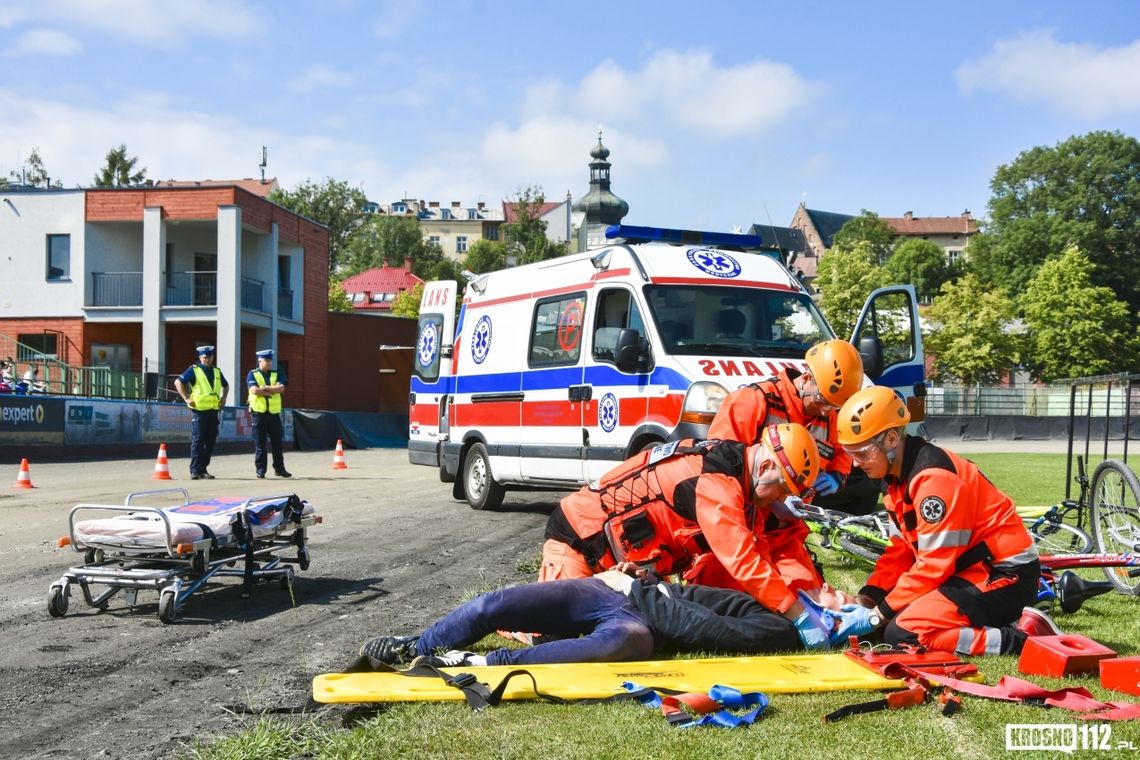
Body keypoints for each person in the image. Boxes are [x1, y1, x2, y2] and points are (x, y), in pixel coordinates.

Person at [539, 423, 840, 650]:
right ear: (764, 466)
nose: (781, 499)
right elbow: (744, 562)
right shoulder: (717, 484)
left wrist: (804, 598)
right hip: (580, 541)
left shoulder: (742, 489)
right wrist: (799, 616)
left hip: (629, 568)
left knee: (640, 632)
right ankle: (516, 624)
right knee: (556, 634)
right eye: (783, 489)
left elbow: (754, 567)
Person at [831, 385, 1059, 655]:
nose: (856, 463)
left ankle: (1022, 641)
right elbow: (901, 551)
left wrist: (878, 613)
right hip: (972, 571)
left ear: (892, 439)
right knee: (889, 624)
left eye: (862, 452)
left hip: (1005, 575)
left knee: (903, 633)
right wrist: (869, 598)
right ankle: (997, 625)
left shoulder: (931, 478)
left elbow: (933, 566)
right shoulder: (897, 479)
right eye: (850, 453)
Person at [358, 564, 858, 669]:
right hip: (614, 591)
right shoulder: (760, 602)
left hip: (637, 616)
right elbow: (691, 599)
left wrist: (639, 590)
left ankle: (481, 662)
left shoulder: (775, 629)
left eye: (838, 599)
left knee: (625, 643)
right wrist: (635, 583)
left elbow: (693, 626)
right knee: (497, 603)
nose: (834, 590)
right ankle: (417, 645)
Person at [708, 338, 866, 509]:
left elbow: (842, 451)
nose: (825, 412)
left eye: (834, 407)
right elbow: (720, 461)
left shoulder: (830, 417)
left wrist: (837, 475)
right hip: (746, 512)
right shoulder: (754, 400)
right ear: (806, 378)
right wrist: (774, 502)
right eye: (821, 402)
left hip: (791, 526)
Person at [174, 345, 229, 480]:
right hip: (199, 410)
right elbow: (178, 382)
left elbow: (225, 385)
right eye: (204, 357)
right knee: (198, 440)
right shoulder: (194, 370)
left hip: (213, 410)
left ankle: (203, 469)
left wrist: (224, 398)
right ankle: (195, 470)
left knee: (210, 441)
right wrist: (186, 398)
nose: (207, 359)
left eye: (209, 357)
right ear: (200, 357)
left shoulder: (216, 371)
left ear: (212, 357)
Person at [247, 349, 291, 479]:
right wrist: (272, 390)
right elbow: (254, 390)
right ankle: (261, 470)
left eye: (270, 360)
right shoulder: (252, 374)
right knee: (260, 444)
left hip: (273, 414)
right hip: (259, 414)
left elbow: (281, 388)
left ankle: (280, 469)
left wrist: (265, 388)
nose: (269, 363)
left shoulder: (277, 373)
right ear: (259, 361)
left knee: (277, 443)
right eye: (266, 360)